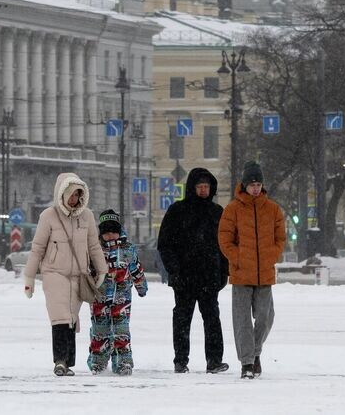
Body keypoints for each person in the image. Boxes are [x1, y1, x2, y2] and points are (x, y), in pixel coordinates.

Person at [23, 172, 107, 376]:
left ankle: (67, 362)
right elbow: (37, 248)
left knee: (71, 317)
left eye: (78, 195)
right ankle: (59, 361)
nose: (74, 199)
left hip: (79, 275)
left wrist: (102, 269)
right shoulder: (48, 216)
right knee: (59, 317)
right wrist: (29, 277)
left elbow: (94, 246)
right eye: (71, 195)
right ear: (62, 194)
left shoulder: (86, 216)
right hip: (54, 273)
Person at [157, 166, 229, 374]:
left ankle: (214, 361)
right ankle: (180, 360)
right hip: (184, 277)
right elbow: (165, 244)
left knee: (212, 318)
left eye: (207, 186)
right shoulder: (177, 211)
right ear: (192, 187)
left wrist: (224, 271)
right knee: (182, 319)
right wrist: (174, 270)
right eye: (200, 186)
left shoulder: (217, 213)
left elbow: (224, 245)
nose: (204, 190)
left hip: (209, 276)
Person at [218, 162, 286, 380]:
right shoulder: (233, 209)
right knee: (242, 321)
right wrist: (238, 257)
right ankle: (247, 362)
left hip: (264, 272)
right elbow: (225, 239)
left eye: (258, 184)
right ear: (244, 185)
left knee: (266, 318)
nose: (255, 188)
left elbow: (280, 239)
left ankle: (255, 352)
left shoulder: (273, 209)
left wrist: (271, 256)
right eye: (252, 184)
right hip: (241, 273)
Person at [87, 209, 148, 375]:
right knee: (100, 332)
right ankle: (98, 362)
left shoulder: (128, 249)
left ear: (119, 231)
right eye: (106, 233)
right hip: (99, 298)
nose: (110, 236)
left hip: (122, 299)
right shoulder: (95, 249)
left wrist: (141, 286)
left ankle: (123, 362)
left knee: (121, 332)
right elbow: (87, 271)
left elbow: (136, 269)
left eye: (114, 231)